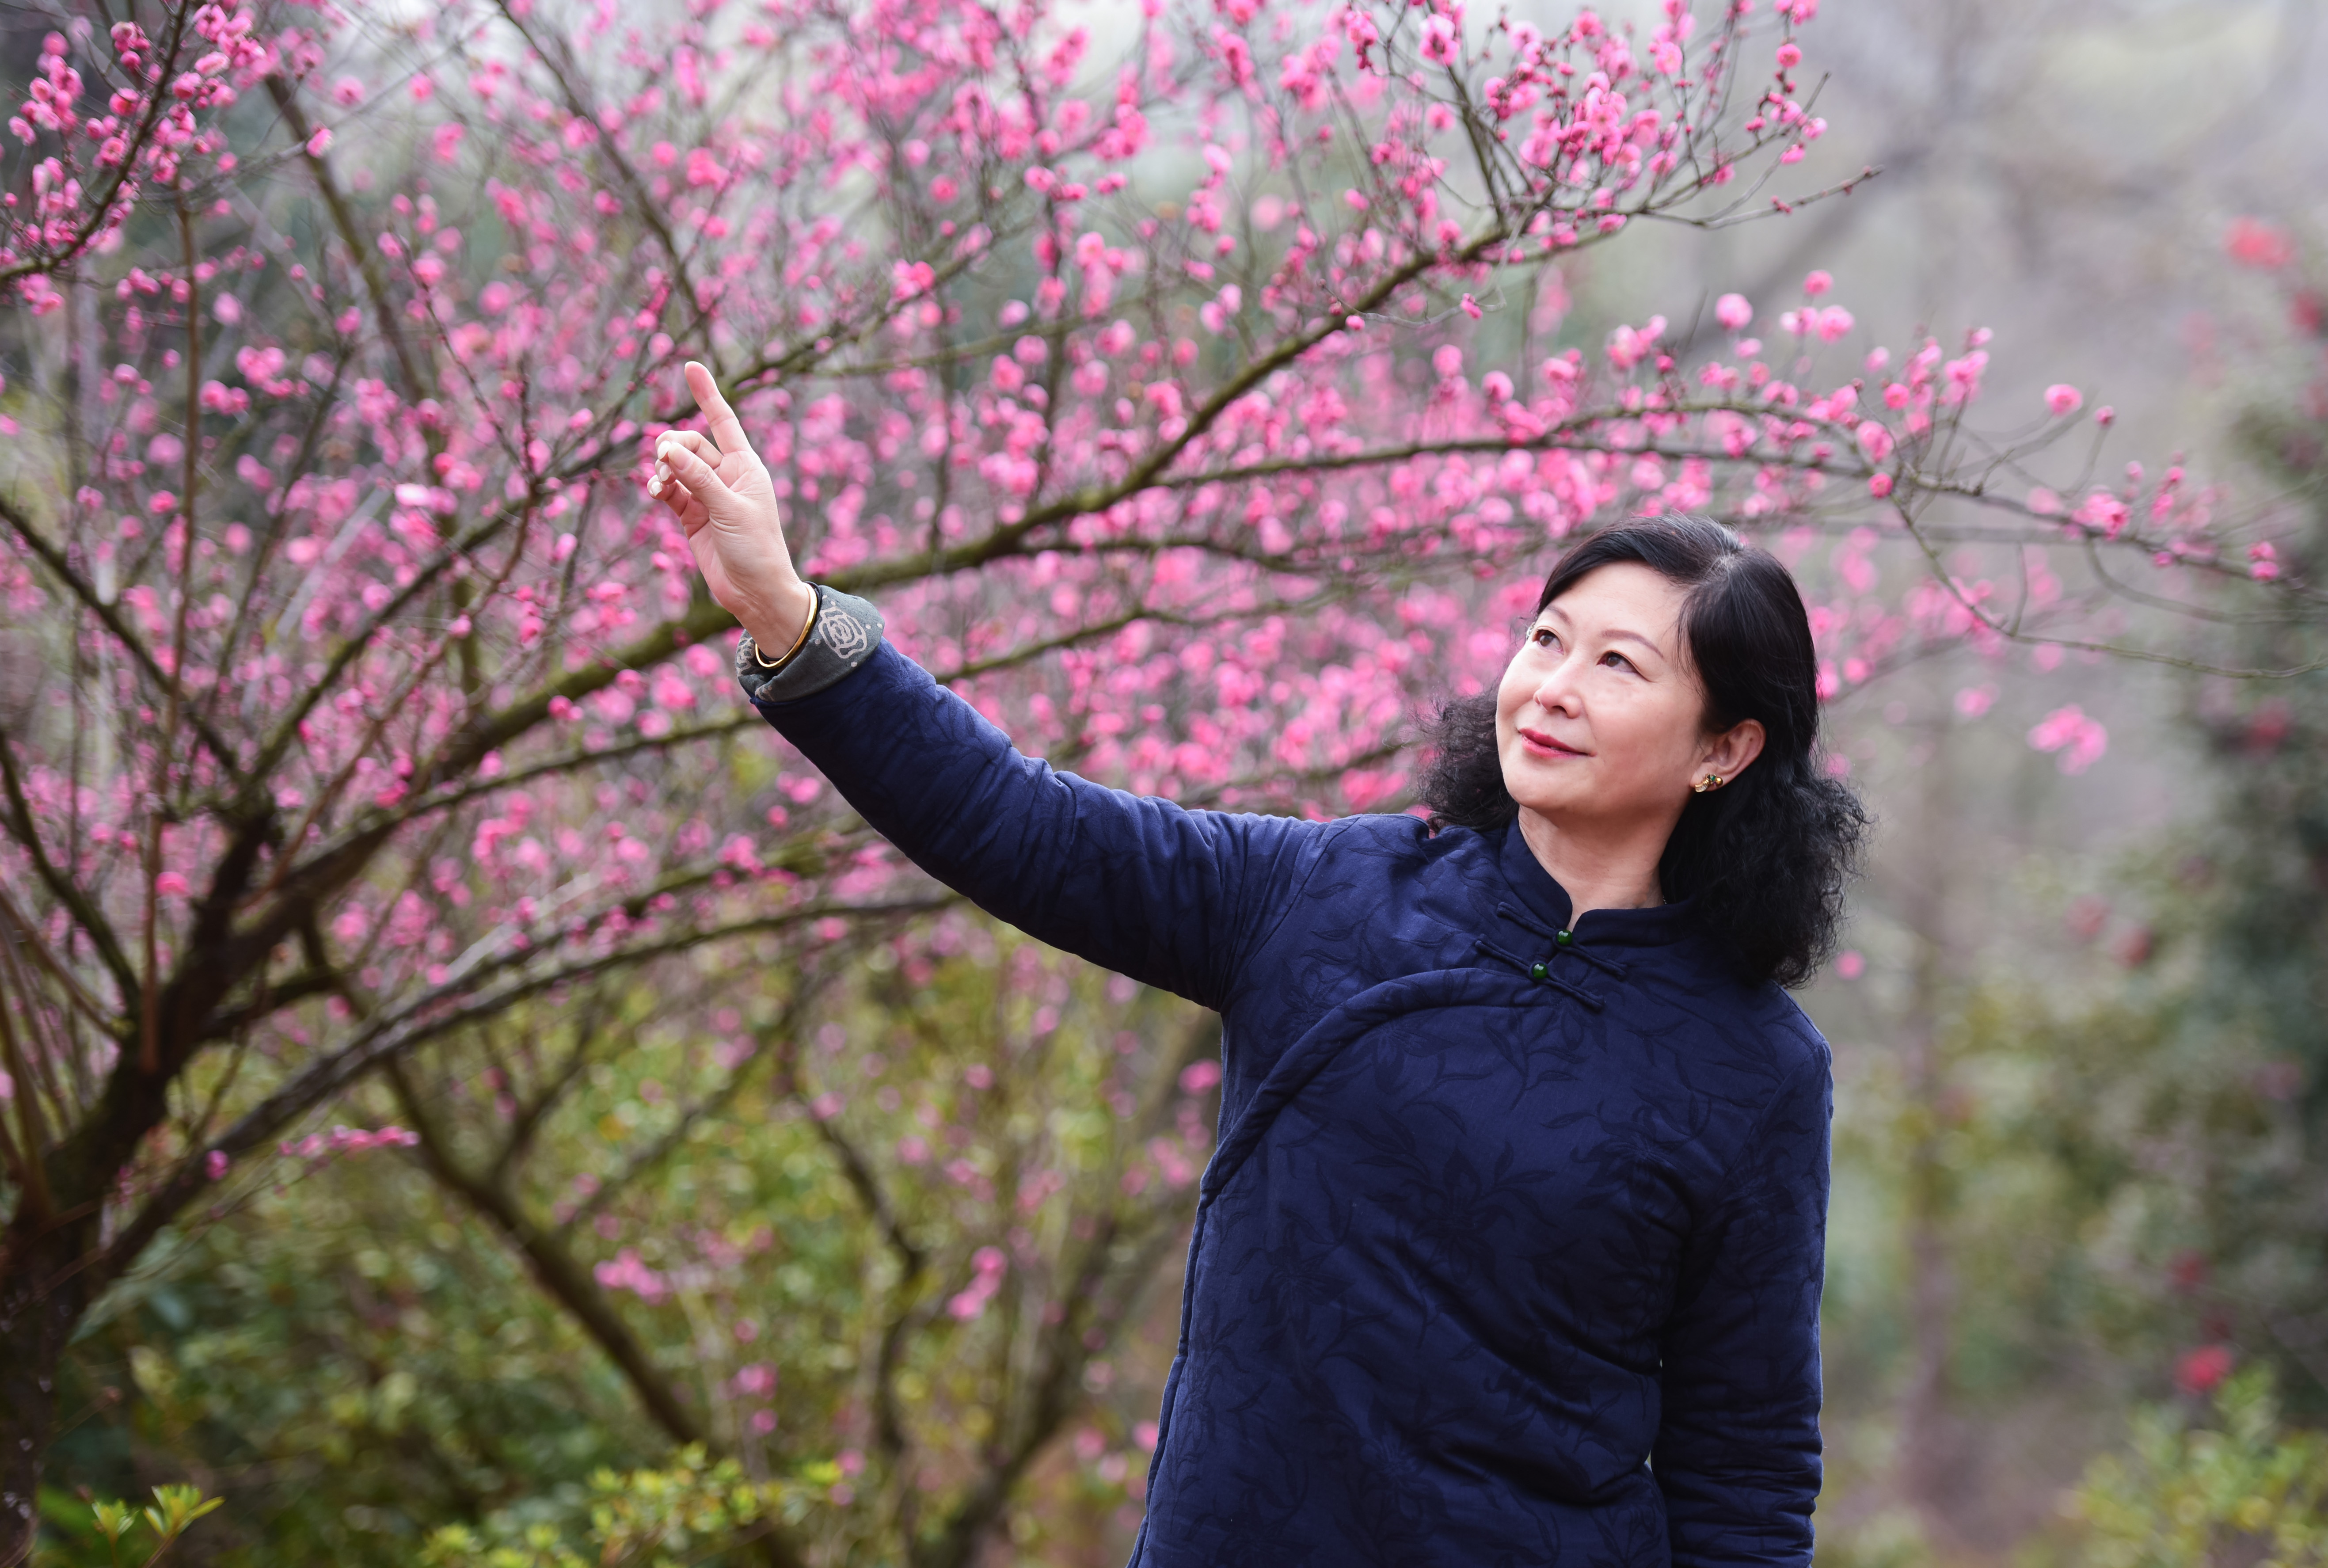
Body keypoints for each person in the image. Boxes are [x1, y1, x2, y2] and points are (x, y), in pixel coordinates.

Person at [648, 360, 1866, 1567]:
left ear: (1723, 747)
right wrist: (788, 615)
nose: (1550, 687)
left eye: (1617, 665)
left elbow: (1741, 1468)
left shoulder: (1750, 1070)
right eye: (1547, 639)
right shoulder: (1322, 897)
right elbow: (1019, 825)